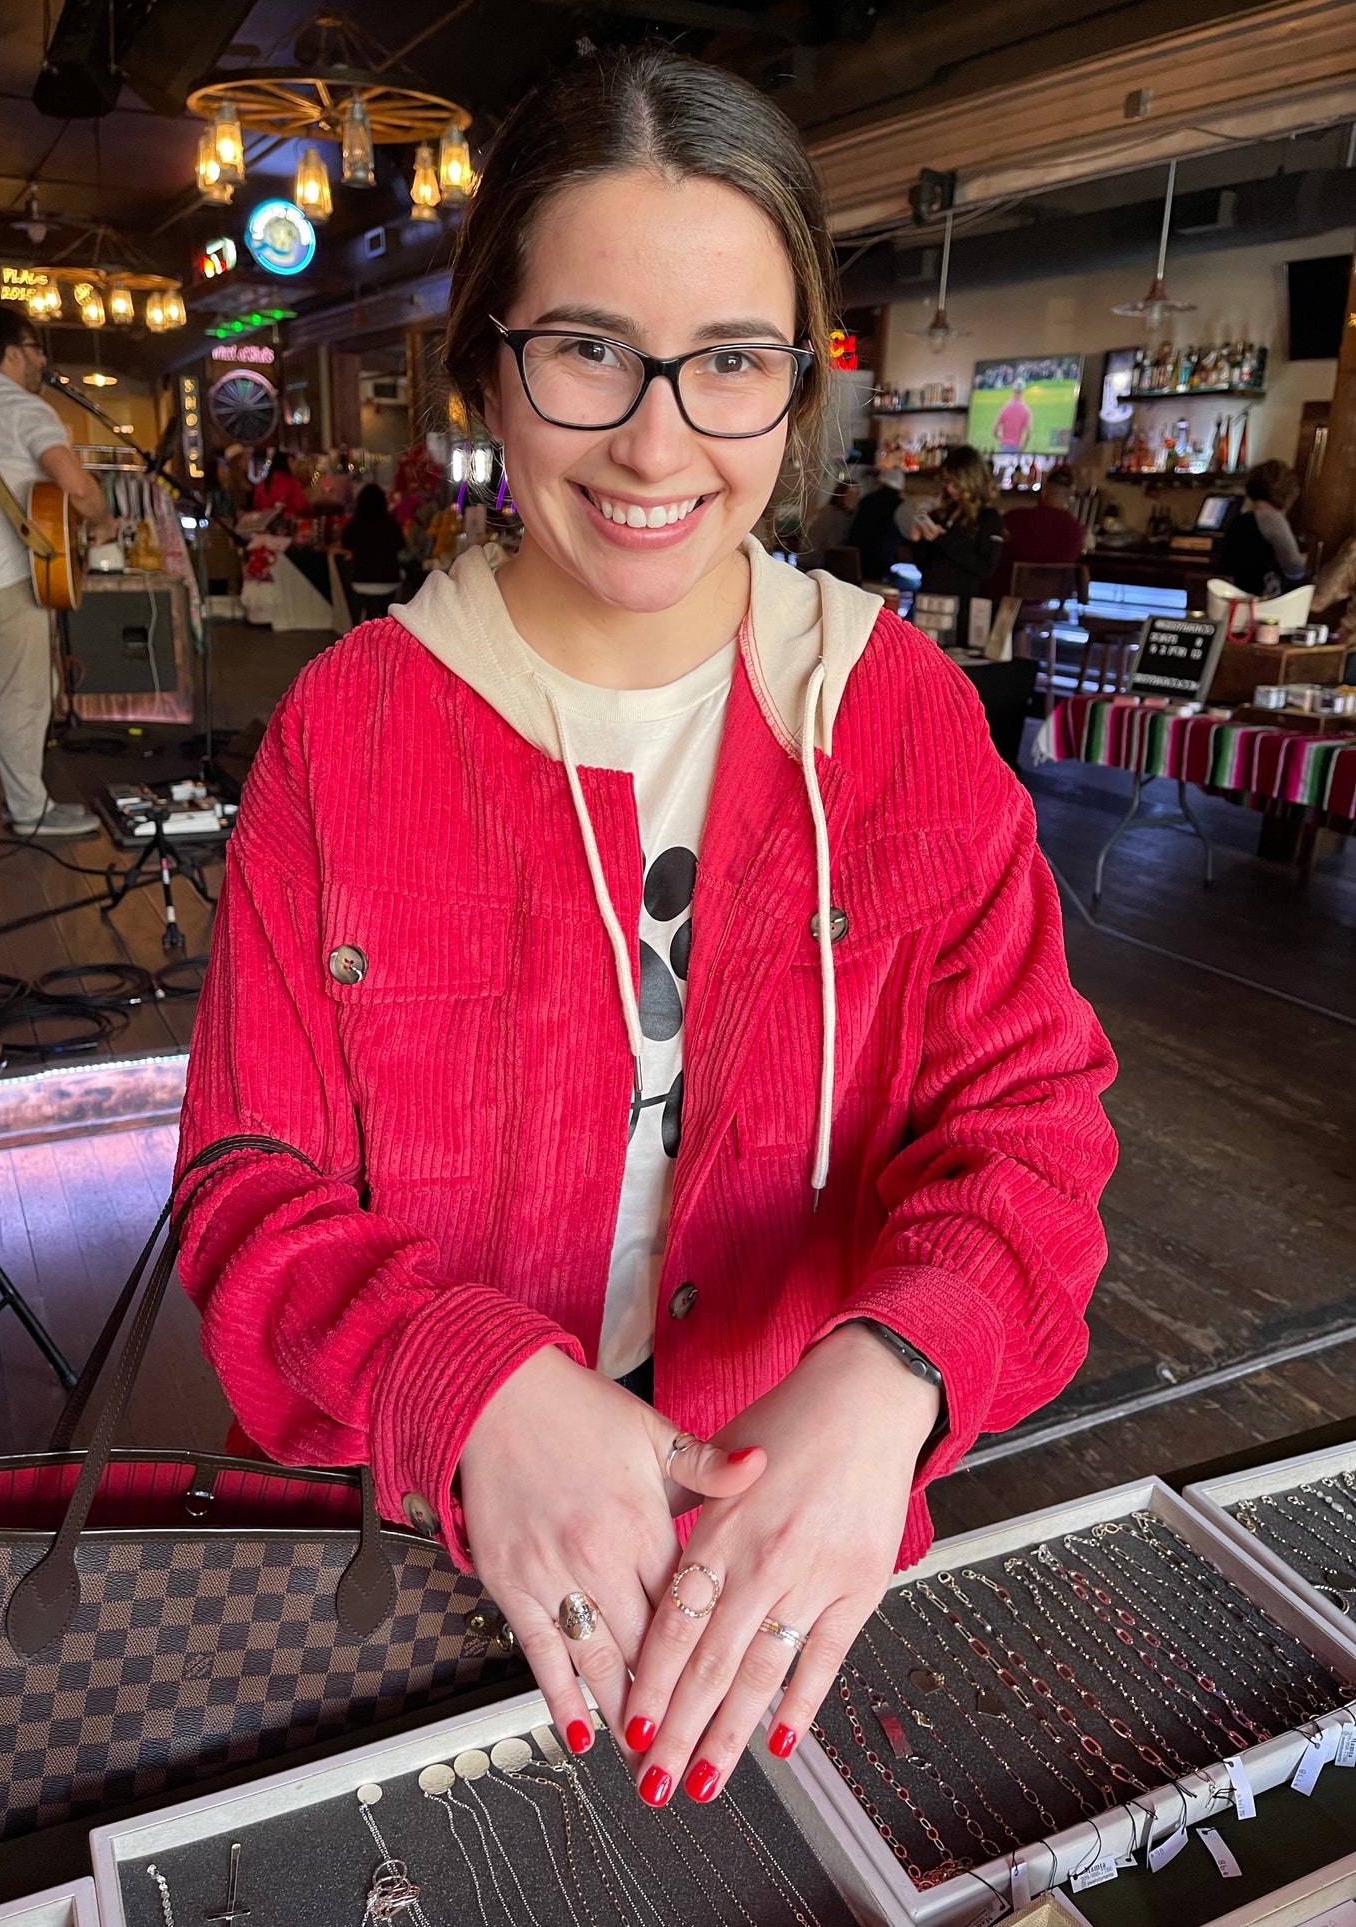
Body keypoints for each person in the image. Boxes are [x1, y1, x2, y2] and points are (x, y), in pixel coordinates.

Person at [176, 46, 1116, 1811]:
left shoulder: (895, 719)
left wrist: (900, 1368)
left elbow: (1033, 1136)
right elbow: (244, 1180)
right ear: (489, 363)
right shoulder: (352, 731)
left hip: (783, 1590)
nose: (659, 439)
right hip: (416, 1561)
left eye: (731, 363)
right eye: (591, 348)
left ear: (794, 383)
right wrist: (474, 1386)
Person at [0, 304, 117, 837]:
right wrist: (105, 522)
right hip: (10, 576)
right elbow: (78, 488)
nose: (43, 359)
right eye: (38, 348)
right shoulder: (25, 409)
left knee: (27, 688)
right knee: (25, 696)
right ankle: (28, 812)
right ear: (16, 351)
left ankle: (28, 798)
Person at [901, 444, 1005, 643]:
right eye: (946, 481)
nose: (949, 488)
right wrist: (918, 540)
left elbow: (985, 567)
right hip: (928, 602)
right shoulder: (942, 513)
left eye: (955, 483)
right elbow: (925, 565)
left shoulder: (988, 519)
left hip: (960, 609)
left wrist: (943, 539)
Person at [984, 461, 1089, 603]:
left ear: (1044, 492)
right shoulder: (1076, 530)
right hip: (1046, 605)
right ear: (1069, 497)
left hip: (1002, 600)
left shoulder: (1016, 518)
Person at [1218, 459, 1306, 598]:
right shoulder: (1273, 520)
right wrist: (1305, 560)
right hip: (1263, 601)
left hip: (1236, 598)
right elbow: (1294, 570)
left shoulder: (1240, 520)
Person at [340, 482, 406, 617]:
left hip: (361, 580)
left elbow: (345, 544)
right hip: (389, 580)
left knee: (370, 610)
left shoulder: (354, 523)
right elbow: (401, 544)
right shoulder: (391, 523)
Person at [845, 465, 905, 583]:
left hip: (859, 561)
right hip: (887, 565)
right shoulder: (901, 506)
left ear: (881, 483)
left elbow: (854, 531)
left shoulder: (867, 500)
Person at [803, 476, 859, 560]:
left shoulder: (846, 516)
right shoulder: (831, 513)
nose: (854, 498)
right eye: (850, 494)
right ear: (840, 495)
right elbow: (830, 547)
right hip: (814, 561)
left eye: (857, 494)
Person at [252, 449, 309, 519]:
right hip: (286, 524)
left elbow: (257, 506)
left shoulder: (262, 483)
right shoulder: (291, 482)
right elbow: (301, 505)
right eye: (292, 461)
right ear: (287, 462)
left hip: (264, 525)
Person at [993, 379, 1032, 453]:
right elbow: (1029, 434)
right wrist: (1023, 446)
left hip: (1004, 448)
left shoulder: (1005, 407)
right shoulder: (1026, 410)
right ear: (1023, 391)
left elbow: (995, 430)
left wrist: (1002, 439)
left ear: (1013, 390)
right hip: (1017, 448)